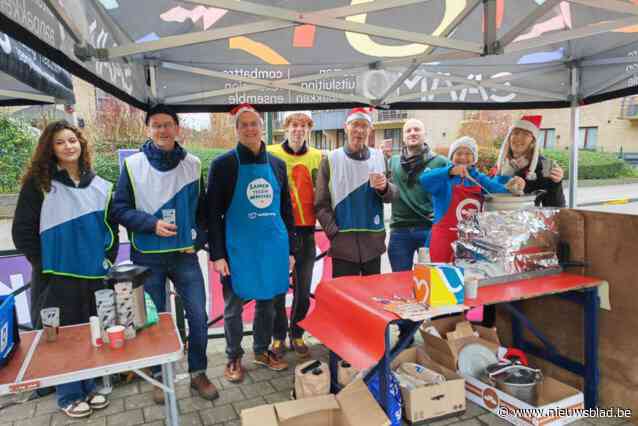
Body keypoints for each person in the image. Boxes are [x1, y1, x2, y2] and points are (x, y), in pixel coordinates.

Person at [12, 120, 118, 419]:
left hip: (94, 275)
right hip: (57, 278)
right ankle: (68, 393)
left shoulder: (100, 185)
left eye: (73, 140)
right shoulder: (38, 185)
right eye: (60, 142)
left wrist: (106, 259)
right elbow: (22, 231)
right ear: (50, 148)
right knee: (60, 336)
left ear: (81, 144)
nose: (69, 146)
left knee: (89, 331)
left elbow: (111, 231)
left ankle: (90, 385)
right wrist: (45, 265)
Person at [111, 105, 217, 405]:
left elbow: (203, 212)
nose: (162, 130)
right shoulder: (132, 165)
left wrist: (197, 240)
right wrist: (151, 224)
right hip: (148, 257)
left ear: (177, 128)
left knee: (198, 315)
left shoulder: (193, 164)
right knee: (155, 321)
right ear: (148, 129)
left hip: (184, 257)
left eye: (167, 125)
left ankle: (198, 372)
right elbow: (118, 209)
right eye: (156, 125)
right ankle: (160, 376)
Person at [207, 104, 295, 384]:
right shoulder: (223, 165)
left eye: (254, 123)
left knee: (267, 304)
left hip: (272, 247)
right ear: (236, 130)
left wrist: (291, 250)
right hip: (237, 249)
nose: (249, 128)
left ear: (262, 127)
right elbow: (212, 213)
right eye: (243, 124)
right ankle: (233, 355)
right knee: (234, 307)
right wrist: (217, 254)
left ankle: (261, 350)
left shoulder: (278, 165)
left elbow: (286, 210)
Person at [315, 107, 397, 277]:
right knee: (345, 299)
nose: (359, 130)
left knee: (370, 298)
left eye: (364, 126)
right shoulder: (331, 159)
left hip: (372, 243)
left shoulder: (380, 157)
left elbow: (394, 194)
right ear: (346, 127)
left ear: (370, 130)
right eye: (355, 125)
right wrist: (333, 232)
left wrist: (385, 188)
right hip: (343, 245)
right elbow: (321, 203)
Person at [267, 111, 322, 359]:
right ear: (285, 128)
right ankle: (278, 336)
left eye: (303, 126)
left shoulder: (318, 156)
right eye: (294, 125)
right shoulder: (270, 153)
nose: (298, 129)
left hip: (306, 230)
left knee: (303, 287)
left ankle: (297, 332)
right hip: (278, 232)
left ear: (309, 130)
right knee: (278, 288)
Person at [421, 136, 524, 263]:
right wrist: (450, 171)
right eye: (458, 153)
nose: (463, 157)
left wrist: (512, 183)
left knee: (468, 276)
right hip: (443, 240)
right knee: (439, 278)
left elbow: (500, 191)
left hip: (470, 242)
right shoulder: (443, 178)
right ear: (451, 157)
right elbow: (424, 180)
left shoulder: (479, 179)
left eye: (468, 154)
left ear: (474, 158)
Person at [388, 119, 448, 271]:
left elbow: (458, 182)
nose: (412, 133)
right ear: (403, 137)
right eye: (408, 131)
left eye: (417, 130)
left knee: (431, 281)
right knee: (400, 281)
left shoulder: (440, 162)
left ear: (424, 134)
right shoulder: (392, 162)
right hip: (399, 231)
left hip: (428, 229)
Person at [494, 115, 565, 207]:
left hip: (528, 219)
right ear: (509, 138)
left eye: (526, 134)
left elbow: (554, 206)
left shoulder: (545, 165)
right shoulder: (502, 164)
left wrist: (556, 183)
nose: (519, 138)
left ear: (533, 141)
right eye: (516, 133)